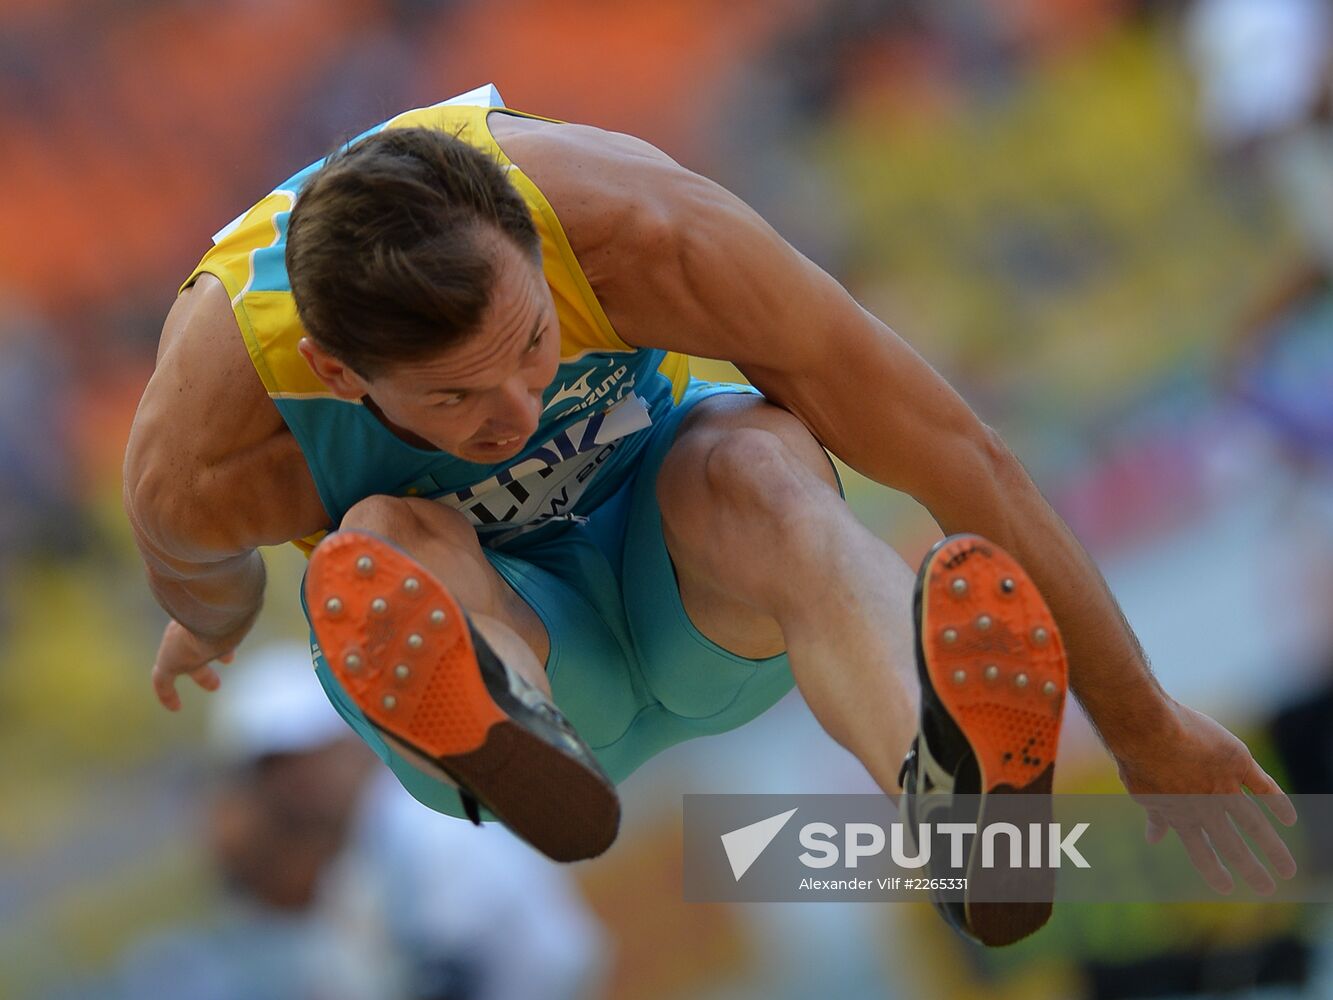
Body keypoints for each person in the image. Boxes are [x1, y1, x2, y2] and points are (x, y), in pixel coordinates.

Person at [123, 84, 1296, 947]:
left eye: (534, 342)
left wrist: (1141, 724)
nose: (519, 408)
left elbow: (957, 455)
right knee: (383, 534)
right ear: (336, 374)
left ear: (543, 247)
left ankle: (950, 800)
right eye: (456, 399)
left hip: (701, 589)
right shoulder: (212, 441)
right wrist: (213, 619)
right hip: (530, 649)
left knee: (757, 459)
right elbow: (201, 578)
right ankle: (503, 709)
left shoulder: (646, 233)